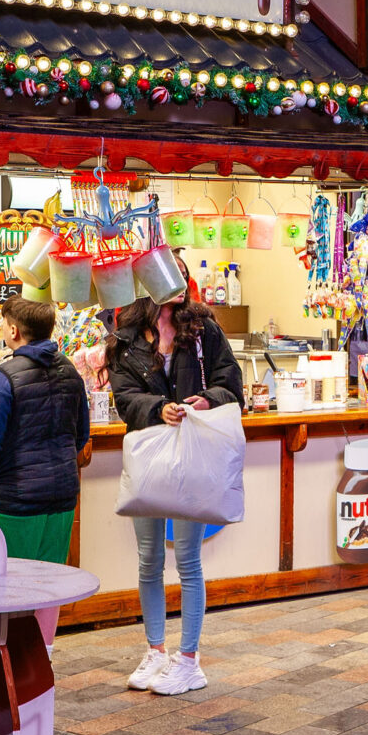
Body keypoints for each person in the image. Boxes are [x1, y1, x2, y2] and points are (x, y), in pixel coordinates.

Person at [108, 295, 239, 698]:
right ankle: (155, 650)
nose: (173, 286)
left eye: (177, 275)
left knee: (187, 558)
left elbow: (229, 385)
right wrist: (157, 408)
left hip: (192, 455)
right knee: (148, 557)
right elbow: (123, 396)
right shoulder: (126, 337)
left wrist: (205, 400)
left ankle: (188, 659)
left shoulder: (202, 330)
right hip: (149, 456)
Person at [0, 298, 91, 564]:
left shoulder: (3, 378)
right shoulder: (71, 371)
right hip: (62, 499)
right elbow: (82, 434)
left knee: (9, 589)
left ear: (13, 331)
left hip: (15, 502)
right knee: (50, 588)